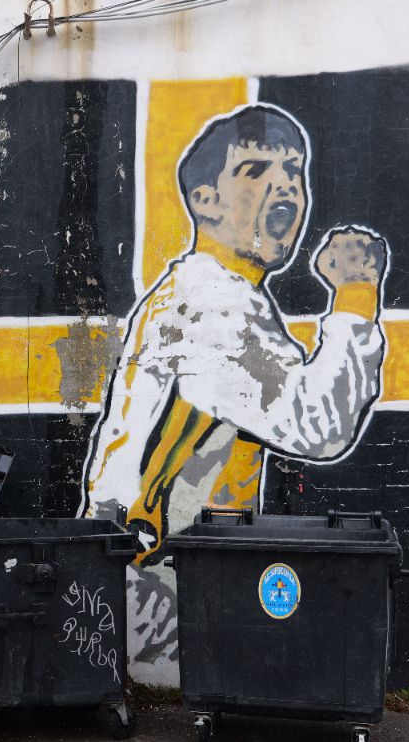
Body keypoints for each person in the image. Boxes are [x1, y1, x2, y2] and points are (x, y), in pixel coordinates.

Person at [78, 104, 389, 668]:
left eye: (294, 173)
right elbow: (319, 425)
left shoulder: (211, 295)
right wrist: (356, 293)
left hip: (149, 580)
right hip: (155, 594)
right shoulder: (212, 309)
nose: (284, 186)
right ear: (206, 201)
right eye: (254, 171)